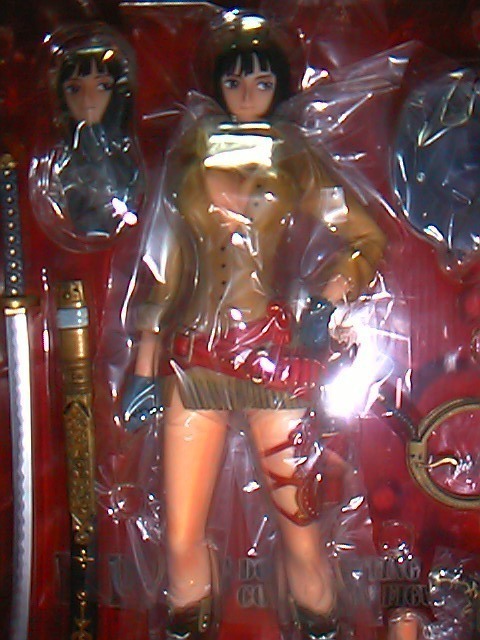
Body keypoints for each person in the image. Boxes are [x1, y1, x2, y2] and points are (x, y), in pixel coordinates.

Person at [123, 12, 386, 640]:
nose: (246, 90)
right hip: (196, 356)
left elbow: (365, 236)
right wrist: (144, 365)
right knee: (181, 536)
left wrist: (326, 298)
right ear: (217, 84)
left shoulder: (295, 157)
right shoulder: (192, 155)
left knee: (302, 535)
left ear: (280, 85)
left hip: (273, 359)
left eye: (261, 79)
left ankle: (321, 626)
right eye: (235, 79)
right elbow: (166, 268)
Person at [30, 25, 143, 244]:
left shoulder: (125, 153)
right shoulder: (61, 160)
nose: (88, 99)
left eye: (102, 86)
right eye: (74, 89)